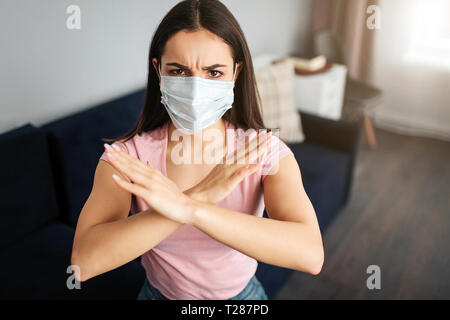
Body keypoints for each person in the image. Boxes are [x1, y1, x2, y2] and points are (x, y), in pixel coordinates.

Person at [71, 0, 324, 300]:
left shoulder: (263, 151)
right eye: (178, 71)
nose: (195, 90)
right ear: (158, 70)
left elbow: (310, 255)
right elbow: (84, 263)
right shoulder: (127, 158)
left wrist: (189, 208)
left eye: (213, 73)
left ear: (235, 72)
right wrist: (199, 197)